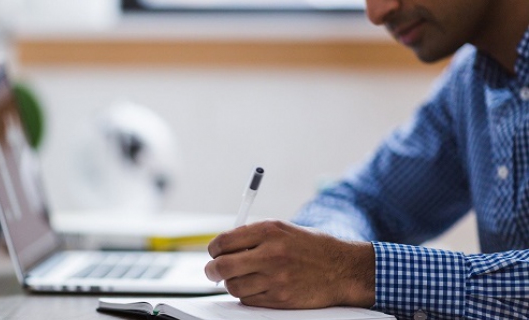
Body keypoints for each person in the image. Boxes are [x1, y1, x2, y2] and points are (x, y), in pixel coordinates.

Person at [204, 1, 529, 319]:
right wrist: (322, 253)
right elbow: (363, 200)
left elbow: (349, 264)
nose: (377, 13)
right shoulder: (470, 81)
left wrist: (354, 270)